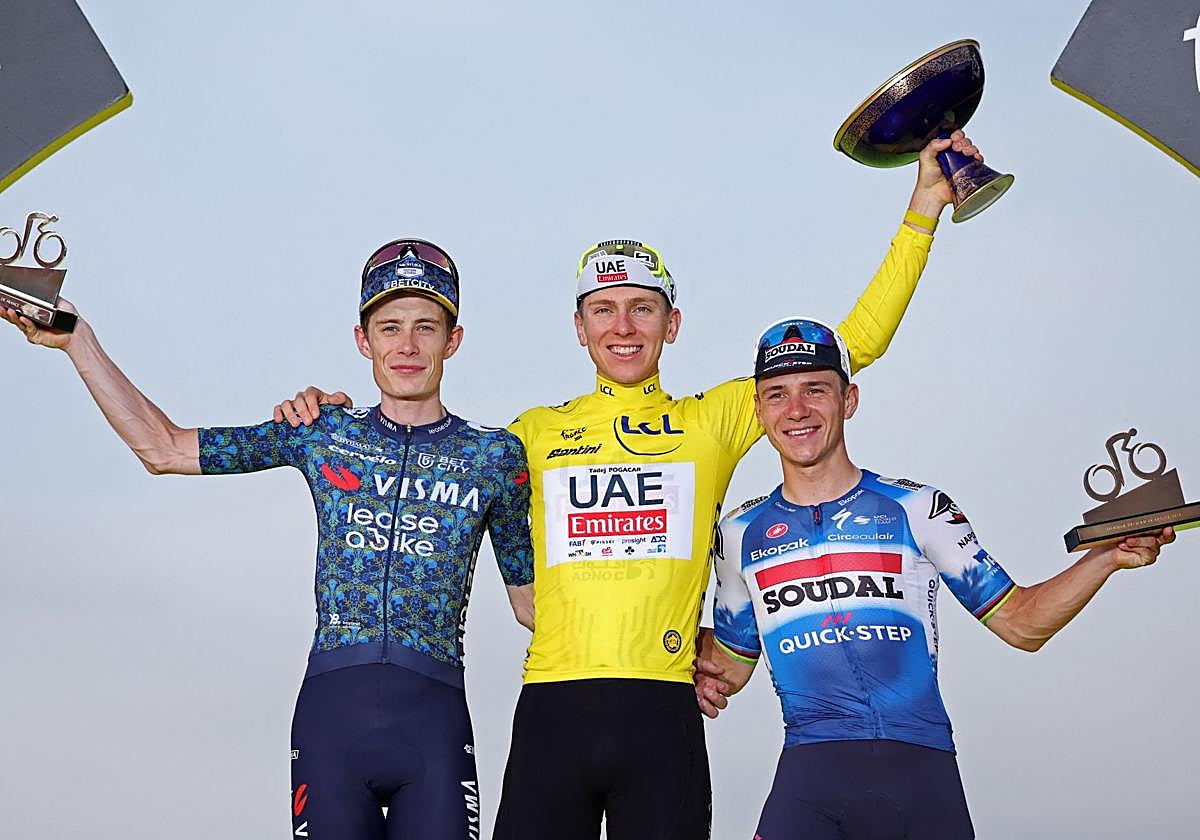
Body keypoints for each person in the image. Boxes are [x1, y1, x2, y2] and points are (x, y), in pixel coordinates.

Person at [276, 132, 983, 839]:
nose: (623, 327)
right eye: (603, 309)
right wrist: (334, 418)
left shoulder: (709, 421)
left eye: (642, 308)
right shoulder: (531, 435)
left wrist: (922, 211)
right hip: (552, 711)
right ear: (579, 327)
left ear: (671, 324)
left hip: (661, 715)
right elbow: (423, 449)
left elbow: (856, 341)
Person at [1, 239, 535, 840]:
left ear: (452, 340)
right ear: (363, 340)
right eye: (390, 328)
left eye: (425, 328)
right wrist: (78, 341)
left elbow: (532, 604)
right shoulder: (322, 432)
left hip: (434, 723)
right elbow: (163, 448)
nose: (407, 346)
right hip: (333, 721)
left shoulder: (495, 456)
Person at [699, 316, 1173, 839]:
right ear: (759, 410)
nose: (797, 410)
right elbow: (730, 668)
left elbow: (1022, 624)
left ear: (849, 400)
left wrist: (1105, 558)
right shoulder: (739, 533)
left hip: (920, 776)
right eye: (778, 394)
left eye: (816, 389)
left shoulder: (917, 508)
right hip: (809, 779)